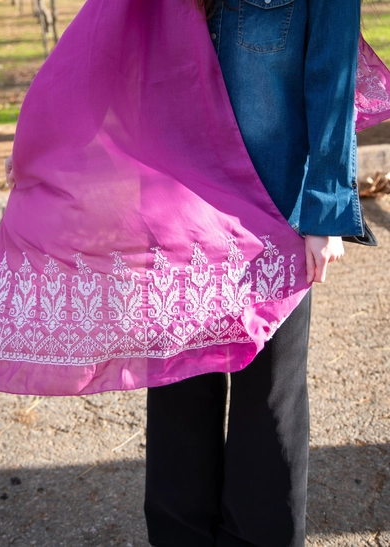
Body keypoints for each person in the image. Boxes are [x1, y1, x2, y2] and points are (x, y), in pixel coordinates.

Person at [143, 1, 359, 546]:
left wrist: (326, 205)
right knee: (178, 388)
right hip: (174, 206)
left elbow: (333, 68)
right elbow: (115, 39)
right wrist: (51, 139)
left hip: (271, 213)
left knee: (269, 398)